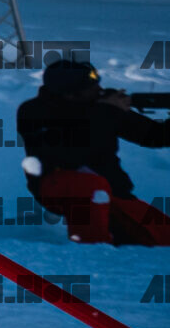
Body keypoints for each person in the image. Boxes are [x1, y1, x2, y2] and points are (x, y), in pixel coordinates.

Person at [17, 59, 170, 245]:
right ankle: (91, 248)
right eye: (91, 87)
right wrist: (107, 111)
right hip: (58, 185)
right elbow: (68, 156)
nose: (99, 89)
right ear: (70, 93)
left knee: (163, 236)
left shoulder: (100, 107)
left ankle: (113, 236)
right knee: (91, 185)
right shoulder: (34, 111)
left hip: (112, 191)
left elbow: (155, 136)